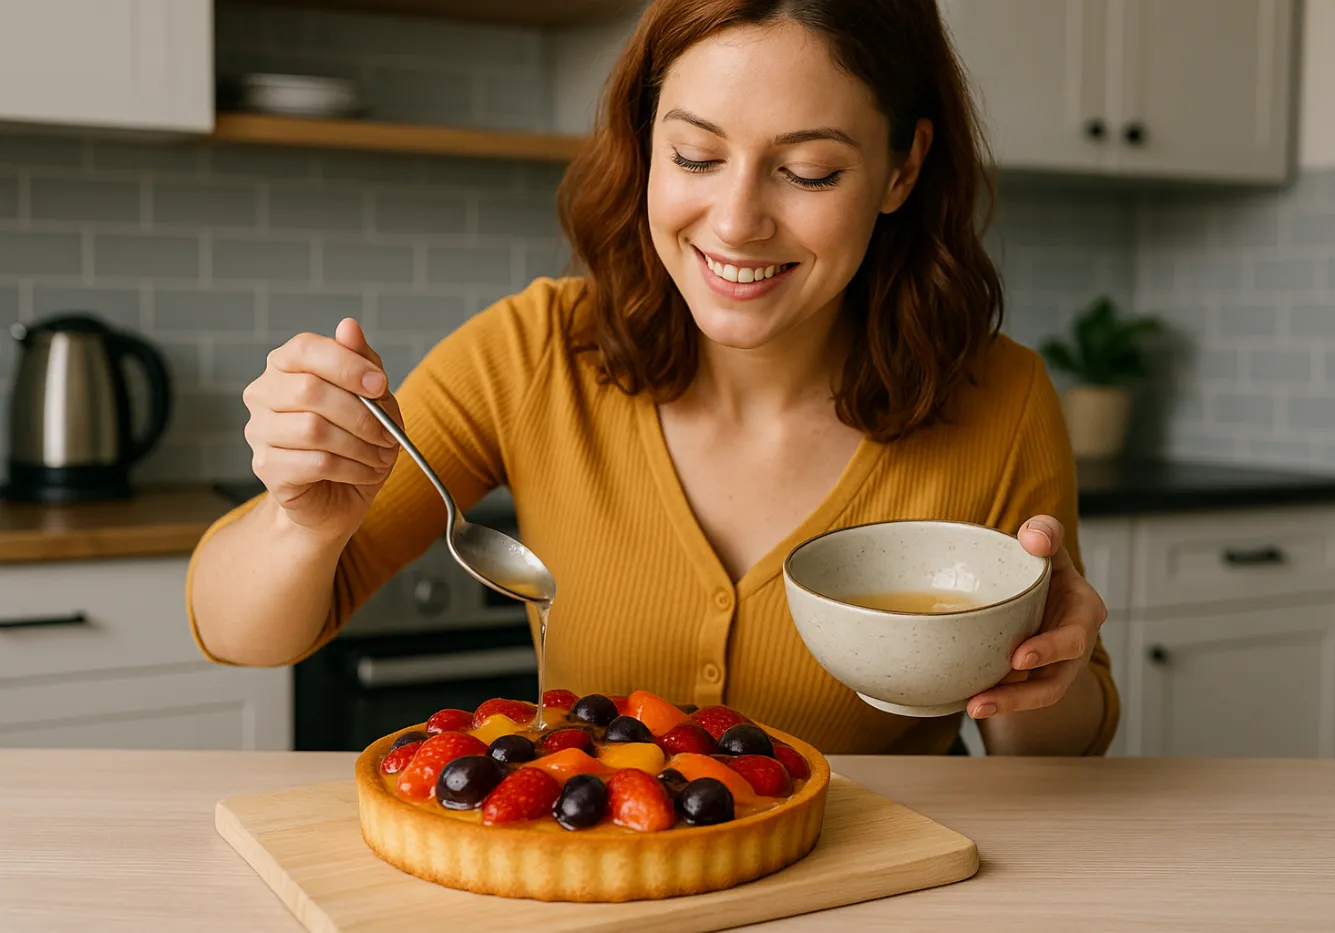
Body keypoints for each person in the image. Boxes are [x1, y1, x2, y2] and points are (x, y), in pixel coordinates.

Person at [187, 0, 1118, 757]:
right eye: (696, 156)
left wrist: (1047, 669)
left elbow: (1054, 760)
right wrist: (299, 522)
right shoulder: (533, 354)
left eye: (807, 170)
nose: (737, 218)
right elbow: (237, 632)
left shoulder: (1000, 399)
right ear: (645, 143)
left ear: (902, 168)